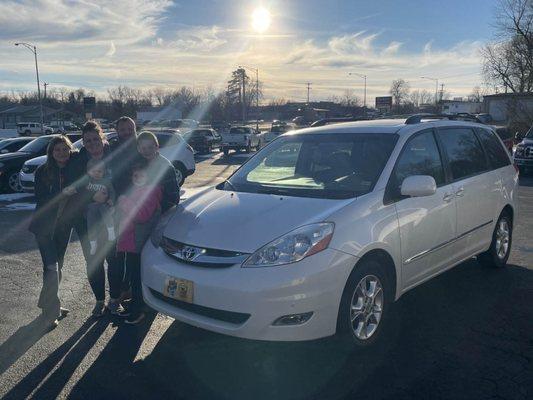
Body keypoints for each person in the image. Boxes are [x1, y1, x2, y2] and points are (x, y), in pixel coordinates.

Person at [66, 121, 125, 317]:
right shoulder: (78, 161)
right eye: (87, 140)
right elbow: (72, 189)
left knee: (114, 258)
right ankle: (99, 300)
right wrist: (91, 197)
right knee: (93, 261)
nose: (92, 143)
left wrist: (112, 199)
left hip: (112, 216)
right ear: (83, 142)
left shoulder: (115, 156)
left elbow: (125, 183)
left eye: (95, 139)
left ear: (103, 137)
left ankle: (115, 299)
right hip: (86, 219)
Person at [29, 136, 75, 328]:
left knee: (59, 267)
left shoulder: (73, 168)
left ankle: (49, 303)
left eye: (65, 149)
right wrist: (62, 194)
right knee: (51, 268)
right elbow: (41, 198)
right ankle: (50, 312)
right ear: (51, 152)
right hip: (44, 227)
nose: (61, 153)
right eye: (57, 150)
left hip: (63, 227)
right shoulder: (43, 171)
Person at [117, 159, 162, 324]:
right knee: (132, 277)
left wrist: (124, 201)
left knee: (137, 278)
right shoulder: (137, 190)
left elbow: (141, 215)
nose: (137, 177)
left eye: (142, 174)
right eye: (135, 175)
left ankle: (139, 311)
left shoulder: (150, 192)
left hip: (138, 242)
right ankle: (134, 304)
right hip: (131, 242)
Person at [70, 158, 116, 255]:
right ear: (88, 172)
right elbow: (79, 187)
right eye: (93, 171)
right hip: (91, 208)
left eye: (99, 171)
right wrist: (73, 188)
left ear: (103, 172)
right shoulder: (88, 182)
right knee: (91, 225)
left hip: (104, 205)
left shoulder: (106, 181)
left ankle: (111, 231)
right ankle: (93, 243)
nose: (96, 173)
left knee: (105, 211)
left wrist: (112, 199)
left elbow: (112, 191)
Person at [136, 130, 179, 212]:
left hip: (160, 212)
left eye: (150, 147)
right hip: (141, 210)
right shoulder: (138, 166)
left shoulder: (166, 167)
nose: (147, 151)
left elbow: (174, 197)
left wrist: (156, 207)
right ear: (139, 149)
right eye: (143, 148)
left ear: (157, 146)